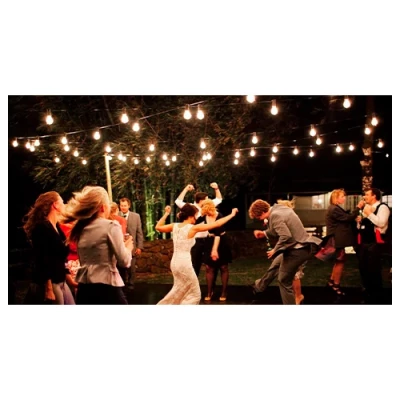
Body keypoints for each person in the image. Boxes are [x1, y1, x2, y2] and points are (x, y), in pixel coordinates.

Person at [155, 204, 238, 305]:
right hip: (184, 264)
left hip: (174, 264)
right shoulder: (192, 228)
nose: (196, 218)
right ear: (191, 216)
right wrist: (232, 214)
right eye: (195, 215)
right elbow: (217, 224)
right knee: (195, 294)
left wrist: (166, 214)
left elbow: (158, 227)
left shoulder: (174, 225)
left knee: (179, 290)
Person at [63, 186, 133, 304]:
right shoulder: (111, 226)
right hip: (107, 286)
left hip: (84, 289)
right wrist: (128, 247)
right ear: (102, 207)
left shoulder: (80, 228)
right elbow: (124, 261)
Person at [248, 199, 321, 305]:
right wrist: (264, 233)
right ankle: (259, 286)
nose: (260, 220)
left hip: (298, 250)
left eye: (259, 217)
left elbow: (285, 236)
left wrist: (275, 250)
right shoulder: (279, 208)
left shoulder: (275, 215)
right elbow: (278, 228)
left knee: (283, 280)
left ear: (263, 212)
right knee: (276, 263)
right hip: (296, 247)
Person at [22, 191, 75, 305]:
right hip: (51, 282)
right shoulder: (41, 228)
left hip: (61, 280)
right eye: (62, 202)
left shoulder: (56, 226)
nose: (64, 204)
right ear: (55, 205)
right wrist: (49, 288)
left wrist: (68, 277)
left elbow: (60, 257)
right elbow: (42, 259)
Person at [175, 182, 222, 276]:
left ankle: (211, 283)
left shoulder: (208, 206)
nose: (209, 200)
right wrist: (186, 189)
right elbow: (178, 201)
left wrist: (216, 188)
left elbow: (219, 199)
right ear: (201, 200)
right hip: (195, 240)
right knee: (195, 263)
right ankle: (193, 281)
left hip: (208, 238)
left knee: (211, 263)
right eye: (207, 198)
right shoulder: (190, 207)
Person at [323, 189, 364, 296]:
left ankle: (331, 282)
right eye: (342, 196)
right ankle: (336, 285)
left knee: (338, 262)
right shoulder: (334, 209)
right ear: (336, 198)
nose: (344, 198)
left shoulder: (335, 208)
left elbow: (345, 217)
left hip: (337, 239)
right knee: (340, 262)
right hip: (337, 240)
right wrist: (358, 207)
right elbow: (347, 218)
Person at [356, 187, 390, 304]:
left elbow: (381, 223)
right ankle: (367, 291)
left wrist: (369, 214)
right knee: (363, 268)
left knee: (373, 269)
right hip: (364, 243)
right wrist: (359, 221)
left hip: (375, 243)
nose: (364, 197)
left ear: (374, 196)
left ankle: (376, 296)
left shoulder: (383, 207)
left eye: (367, 195)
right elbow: (361, 226)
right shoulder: (366, 208)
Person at [197, 199, 233, 302]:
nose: (206, 214)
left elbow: (218, 234)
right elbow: (194, 222)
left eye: (207, 212)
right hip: (209, 241)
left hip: (221, 241)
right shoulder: (204, 215)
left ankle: (224, 292)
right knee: (209, 267)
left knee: (223, 267)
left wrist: (214, 250)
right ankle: (209, 291)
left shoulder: (219, 216)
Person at [119, 197, 144, 290]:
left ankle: (131, 283)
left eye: (125, 205)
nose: (123, 207)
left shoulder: (136, 216)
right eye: (121, 205)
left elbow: (139, 232)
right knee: (120, 267)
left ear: (129, 206)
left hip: (132, 245)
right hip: (120, 245)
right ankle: (122, 284)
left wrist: (140, 247)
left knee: (132, 267)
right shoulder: (116, 215)